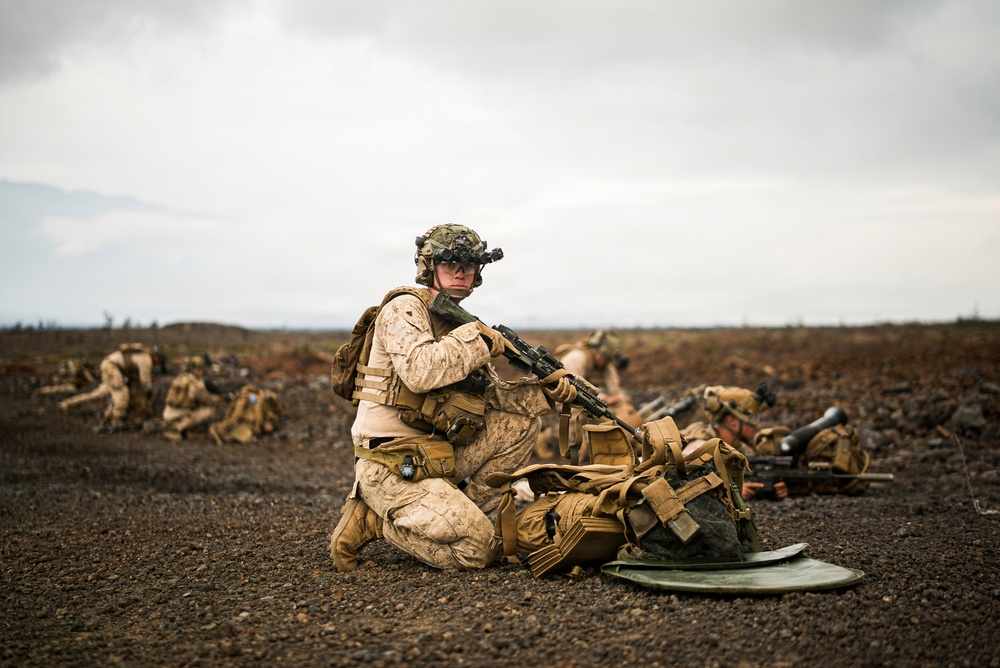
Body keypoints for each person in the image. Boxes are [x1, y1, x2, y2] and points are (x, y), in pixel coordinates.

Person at [329, 224, 566, 572]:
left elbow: (489, 397)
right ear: (428, 266)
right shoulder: (404, 309)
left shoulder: (456, 324)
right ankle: (375, 521)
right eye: (450, 263)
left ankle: (473, 514)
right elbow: (420, 371)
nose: (461, 272)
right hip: (390, 461)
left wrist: (551, 394)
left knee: (520, 423)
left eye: (470, 265)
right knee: (478, 551)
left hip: (437, 453)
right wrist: (479, 340)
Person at [533, 329, 640, 461]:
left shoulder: (605, 366)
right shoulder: (577, 358)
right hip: (558, 394)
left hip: (581, 397)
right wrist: (603, 398)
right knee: (574, 422)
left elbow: (615, 389)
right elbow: (570, 389)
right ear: (596, 352)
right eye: (604, 358)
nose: (606, 363)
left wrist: (620, 403)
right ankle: (543, 439)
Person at [678, 384, 787, 500]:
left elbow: (750, 478)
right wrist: (731, 489)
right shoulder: (700, 447)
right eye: (751, 418)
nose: (757, 425)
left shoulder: (743, 448)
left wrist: (767, 489)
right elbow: (684, 483)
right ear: (732, 421)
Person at [58, 343, 156, 429]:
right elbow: (145, 380)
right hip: (111, 368)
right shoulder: (146, 359)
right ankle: (116, 421)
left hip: (108, 365)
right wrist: (148, 391)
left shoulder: (140, 355)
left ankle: (67, 403)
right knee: (122, 394)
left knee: (99, 393)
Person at [162, 356, 223, 441]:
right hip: (179, 419)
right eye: (200, 369)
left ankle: (176, 426)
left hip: (166, 417)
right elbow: (209, 401)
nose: (202, 372)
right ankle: (179, 427)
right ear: (196, 370)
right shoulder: (196, 384)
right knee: (210, 411)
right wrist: (218, 399)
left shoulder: (178, 378)